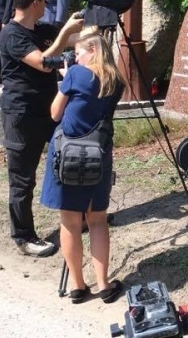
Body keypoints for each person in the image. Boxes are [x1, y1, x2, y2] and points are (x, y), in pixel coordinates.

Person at [0, 0, 84, 257]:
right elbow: (43, 62)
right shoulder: (11, 34)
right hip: (21, 116)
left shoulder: (44, 30)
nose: (46, 6)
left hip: (50, 111)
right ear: (36, 3)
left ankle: (77, 216)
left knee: (69, 160)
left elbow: (77, 39)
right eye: (44, 1)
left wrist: (96, 18)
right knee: (23, 179)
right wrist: (66, 34)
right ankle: (23, 236)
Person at [40, 31, 124, 303]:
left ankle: (77, 285)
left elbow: (55, 113)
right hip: (98, 153)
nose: (75, 58)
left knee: (70, 222)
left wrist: (65, 80)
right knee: (97, 220)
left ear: (92, 50)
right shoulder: (116, 81)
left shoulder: (75, 74)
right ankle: (104, 284)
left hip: (67, 154)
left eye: (78, 53)